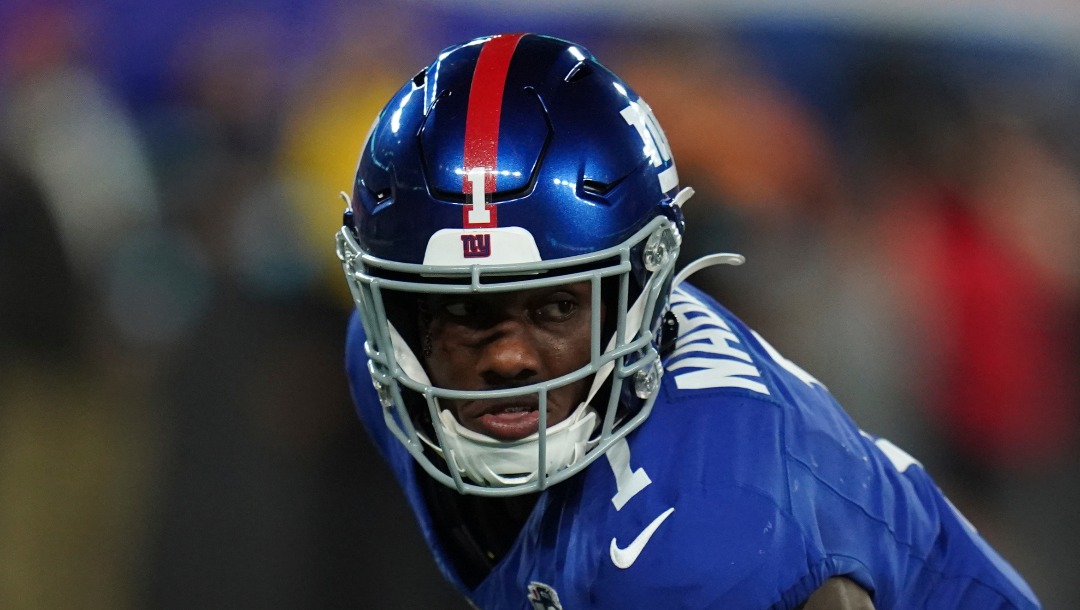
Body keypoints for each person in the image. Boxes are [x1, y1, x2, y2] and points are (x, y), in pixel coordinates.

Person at [335, 33, 1040, 609]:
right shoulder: (389, 362)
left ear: (645, 287)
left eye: (553, 305)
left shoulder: (707, 532)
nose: (509, 358)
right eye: (463, 308)